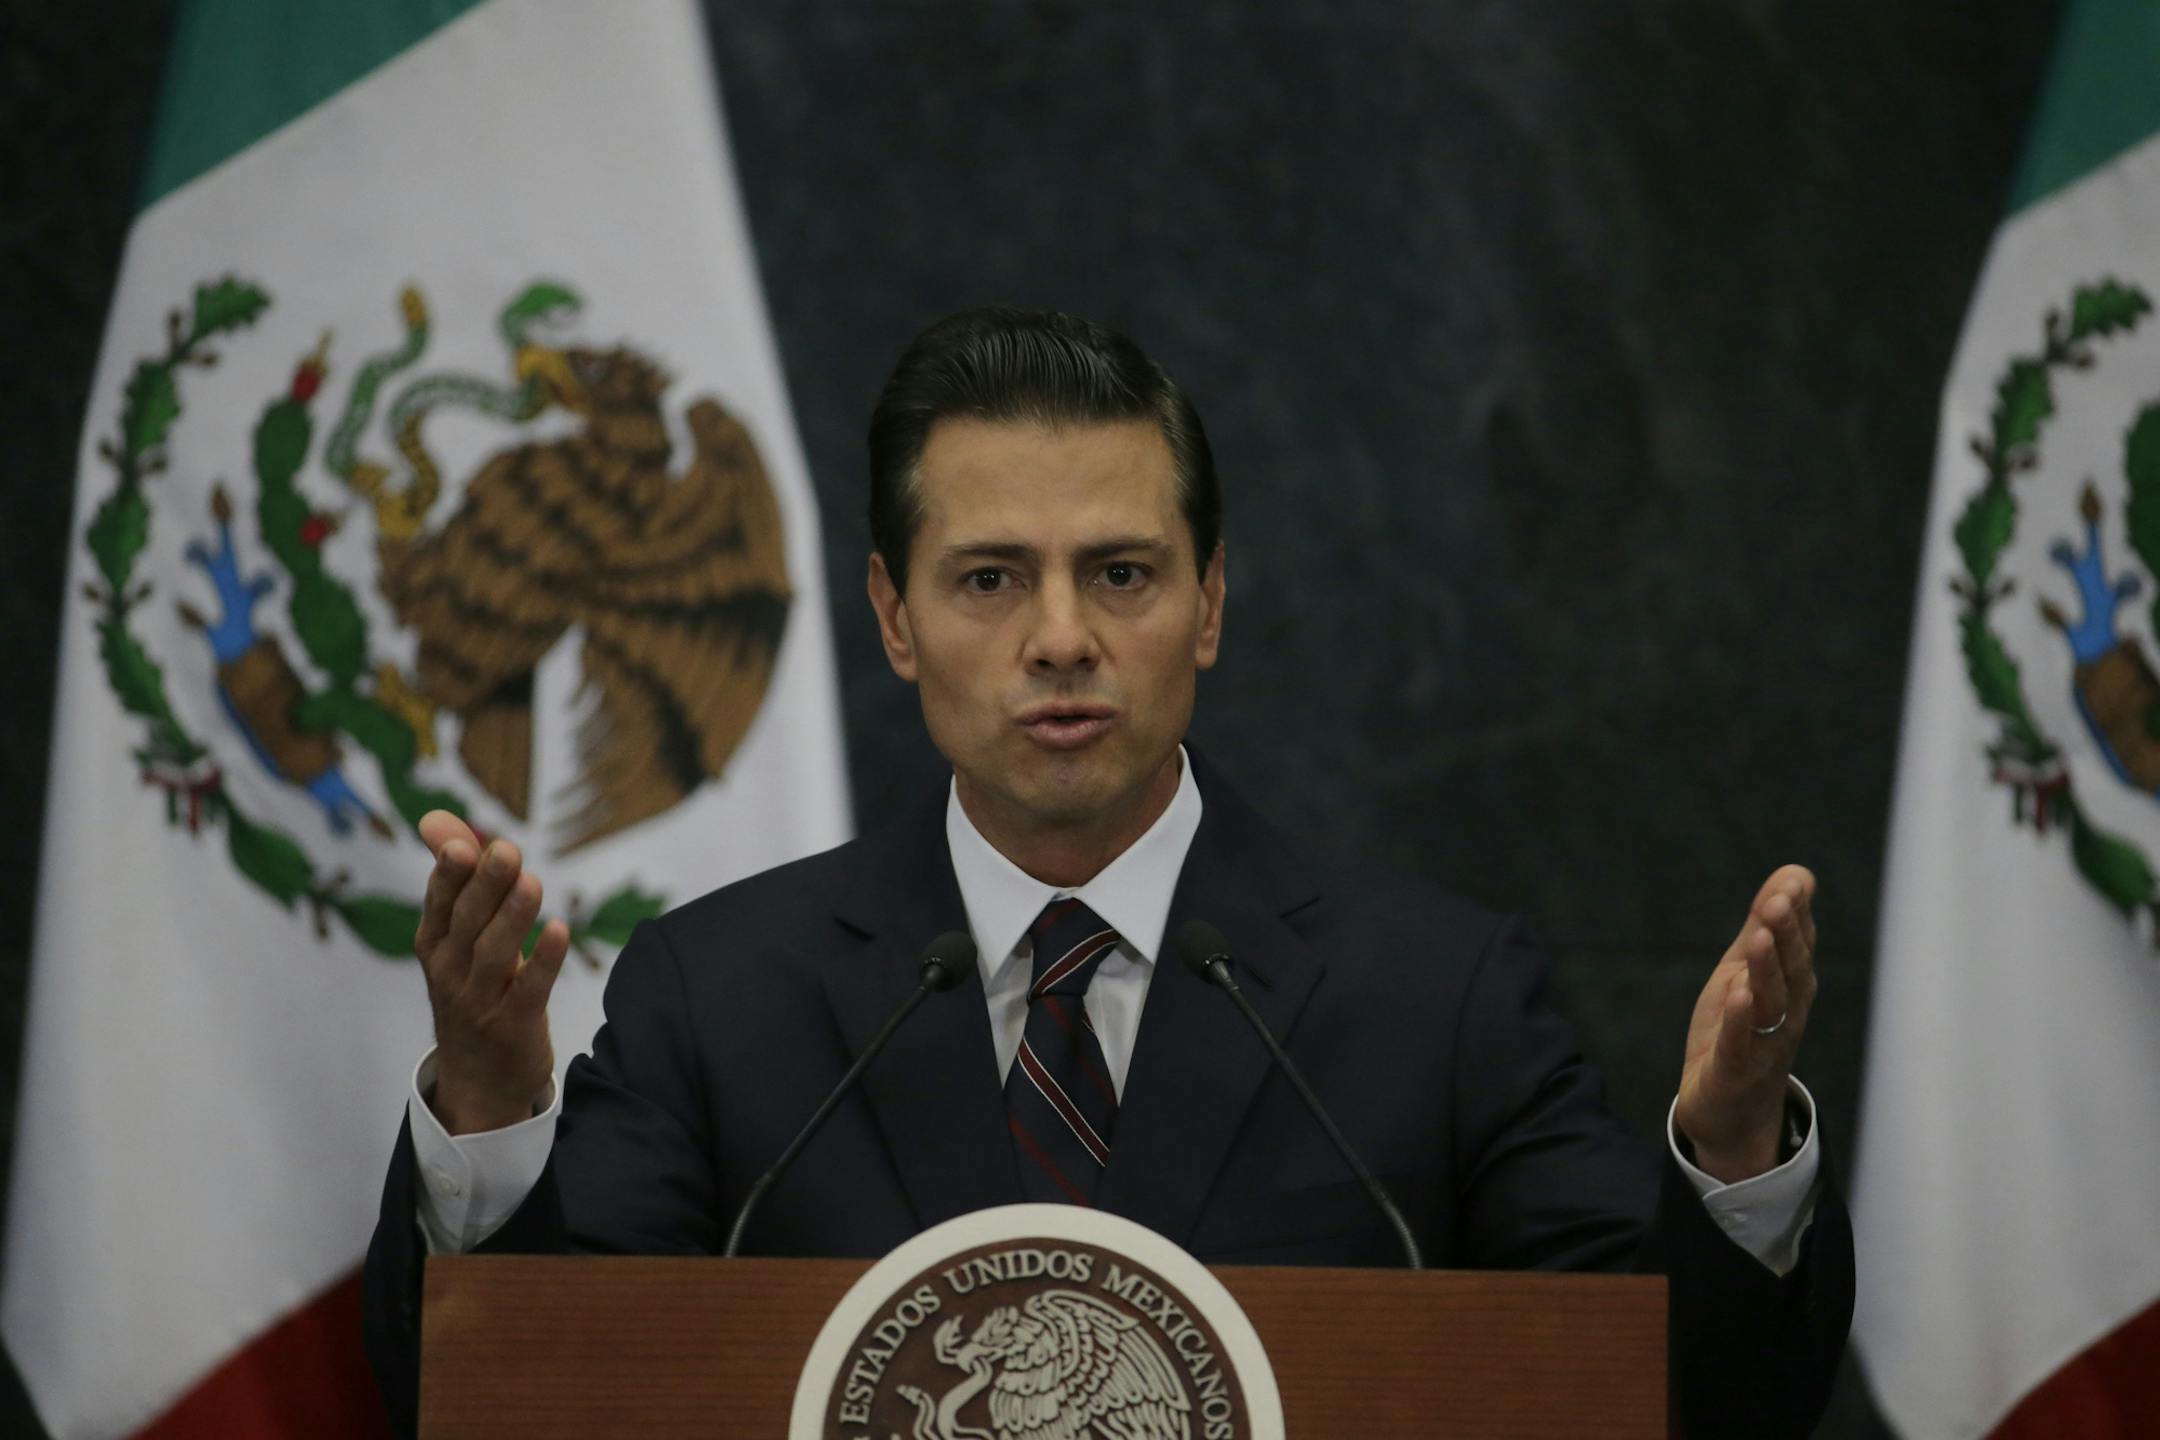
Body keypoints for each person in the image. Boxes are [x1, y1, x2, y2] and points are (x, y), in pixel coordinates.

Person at [363, 307, 1853, 1435]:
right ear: (894, 618)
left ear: (1210, 603)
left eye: (1122, 574)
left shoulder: (1439, 997)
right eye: (990, 578)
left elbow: (1684, 1408)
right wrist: (494, 1114)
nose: (1062, 637)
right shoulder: (723, 991)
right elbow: (523, 1398)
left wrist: (1729, 1165)